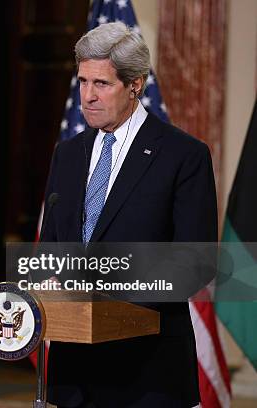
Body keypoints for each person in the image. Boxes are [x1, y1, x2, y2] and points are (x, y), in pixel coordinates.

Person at [40, 22, 217, 407]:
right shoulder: (67, 155)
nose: (87, 96)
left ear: (135, 84)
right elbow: (52, 248)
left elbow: (195, 263)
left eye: (101, 84)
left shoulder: (182, 155)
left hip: (148, 373)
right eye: (82, 82)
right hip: (75, 374)